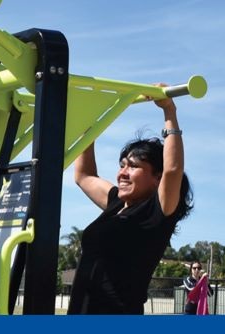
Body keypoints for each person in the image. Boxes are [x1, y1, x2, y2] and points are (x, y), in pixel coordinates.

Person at [65, 86, 194, 315]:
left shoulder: (157, 212)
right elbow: (84, 176)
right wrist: (89, 125)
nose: (123, 173)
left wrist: (169, 112)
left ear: (157, 178)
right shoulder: (116, 203)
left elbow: (173, 169)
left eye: (133, 166)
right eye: (122, 165)